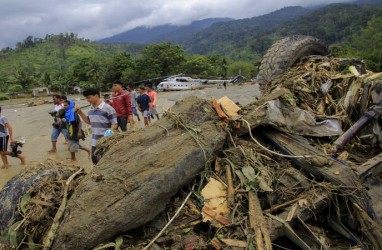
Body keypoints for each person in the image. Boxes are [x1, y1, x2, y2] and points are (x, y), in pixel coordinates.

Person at [75, 88, 118, 165]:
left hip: (105, 142)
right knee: (95, 161)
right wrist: (80, 113)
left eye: (89, 97)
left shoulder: (108, 108)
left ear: (96, 96)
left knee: (106, 163)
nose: (87, 100)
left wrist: (106, 137)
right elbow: (89, 122)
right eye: (86, 98)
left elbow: (114, 124)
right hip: (94, 142)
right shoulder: (91, 109)